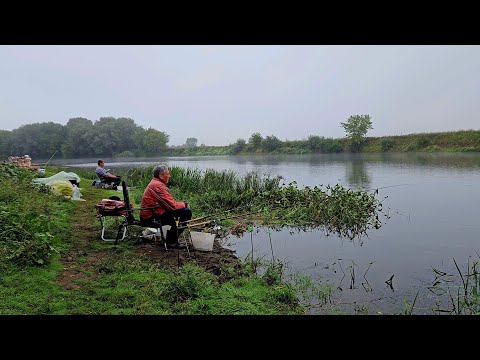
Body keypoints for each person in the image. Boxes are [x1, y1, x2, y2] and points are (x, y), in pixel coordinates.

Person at [140, 164, 192, 248]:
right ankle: (171, 241)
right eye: (168, 174)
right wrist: (184, 204)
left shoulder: (155, 183)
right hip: (150, 217)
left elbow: (169, 204)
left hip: (153, 212)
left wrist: (181, 204)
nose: (169, 176)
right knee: (186, 212)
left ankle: (170, 238)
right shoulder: (157, 185)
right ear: (161, 175)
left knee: (181, 211)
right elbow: (172, 206)